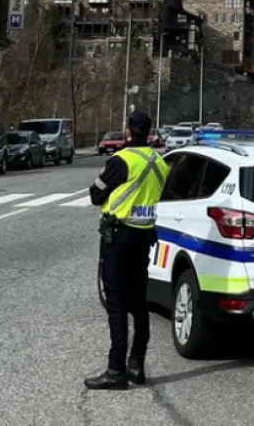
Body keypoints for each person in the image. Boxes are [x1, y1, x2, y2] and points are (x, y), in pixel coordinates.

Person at [84, 110, 169, 390]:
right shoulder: (161, 163)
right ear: (150, 132)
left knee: (117, 304)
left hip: (118, 238)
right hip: (144, 237)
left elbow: (96, 194)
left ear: (129, 132)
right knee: (138, 303)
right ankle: (136, 364)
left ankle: (116, 370)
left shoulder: (121, 161)